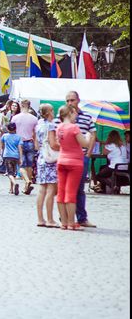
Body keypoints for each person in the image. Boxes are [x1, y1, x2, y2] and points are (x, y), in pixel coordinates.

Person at [55, 104, 92, 230]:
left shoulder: (59, 127)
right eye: (75, 113)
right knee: (71, 193)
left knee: (61, 192)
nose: (76, 115)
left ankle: (63, 222)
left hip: (61, 160)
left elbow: (59, 143)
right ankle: (71, 222)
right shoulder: (74, 128)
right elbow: (85, 144)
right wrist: (88, 136)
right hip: (75, 162)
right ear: (70, 113)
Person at [63, 92, 96, 227]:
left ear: (78, 100)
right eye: (68, 100)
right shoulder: (62, 117)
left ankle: (82, 218)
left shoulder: (86, 116)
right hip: (66, 157)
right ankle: (64, 217)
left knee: (79, 189)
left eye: (72, 100)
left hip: (81, 156)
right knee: (65, 188)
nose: (70, 103)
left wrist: (88, 153)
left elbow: (93, 134)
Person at [34, 104, 60, 227]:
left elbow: (36, 144)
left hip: (41, 157)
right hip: (50, 159)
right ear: (49, 112)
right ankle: (50, 219)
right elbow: (53, 144)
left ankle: (40, 218)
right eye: (52, 110)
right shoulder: (50, 125)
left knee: (42, 189)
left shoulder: (39, 125)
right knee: (51, 188)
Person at [11, 100, 39, 195]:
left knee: (21, 164)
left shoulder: (15, 118)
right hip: (30, 142)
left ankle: (27, 181)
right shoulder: (34, 119)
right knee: (29, 165)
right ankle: (26, 187)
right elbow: (35, 133)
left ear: (21, 105)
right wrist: (36, 144)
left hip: (20, 142)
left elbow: (12, 131)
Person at [0, 123, 23, 196]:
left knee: (10, 173)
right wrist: (21, 158)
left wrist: (1, 152)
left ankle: (15, 184)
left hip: (7, 156)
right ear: (15, 129)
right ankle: (11, 189)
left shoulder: (5, 136)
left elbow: (2, 145)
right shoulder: (18, 137)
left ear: (8, 129)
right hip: (15, 156)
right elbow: (20, 148)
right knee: (13, 173)